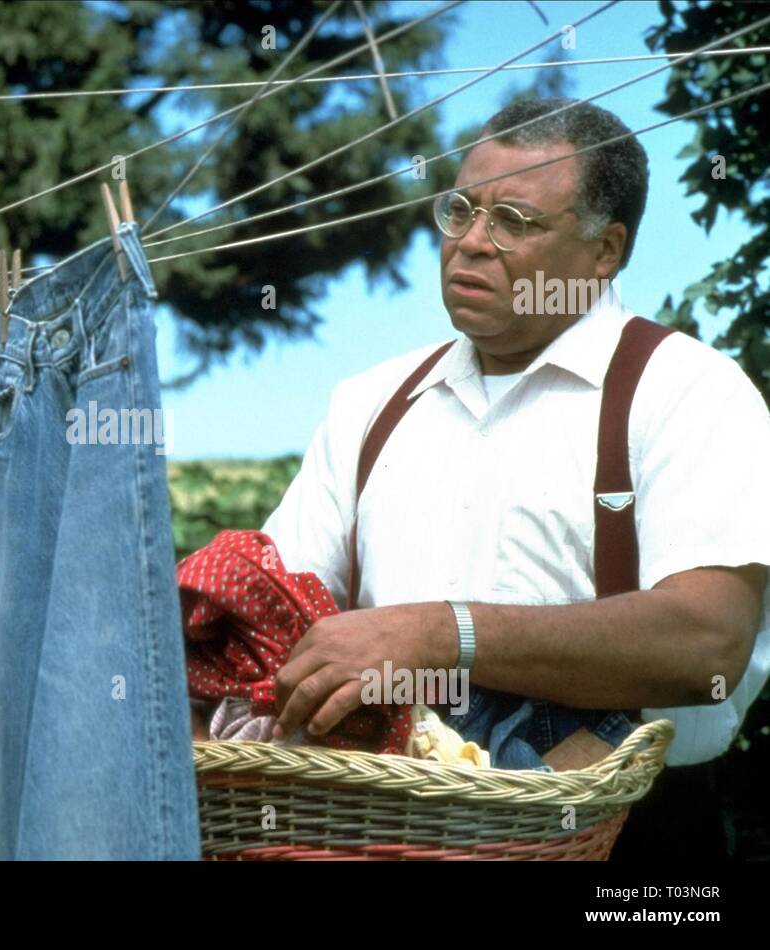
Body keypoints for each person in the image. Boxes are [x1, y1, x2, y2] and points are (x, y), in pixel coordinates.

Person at [261, 98, 770, 860]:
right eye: (460, 209)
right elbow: (270, 609)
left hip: (629, 834)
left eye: (514, 222)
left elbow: (706, 647)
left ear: (606, 251)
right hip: (389, 825)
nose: (469, 243)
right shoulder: (371, 403)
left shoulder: (688, 391)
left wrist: (444, 635)